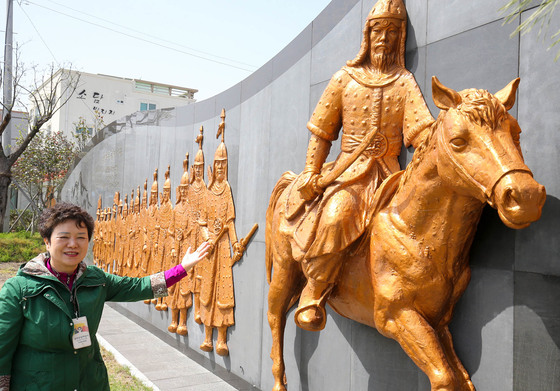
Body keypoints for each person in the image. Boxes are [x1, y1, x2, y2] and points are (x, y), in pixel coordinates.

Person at [293, 0, 434, 331]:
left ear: (400, 38)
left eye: (392, 32)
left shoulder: (404, 81)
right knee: (337, 214)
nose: (384, 39)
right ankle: (313, 291)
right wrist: (312, 172)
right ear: (366, 36)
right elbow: (321, 132)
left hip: (391, 176)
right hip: (349, 174)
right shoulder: (345, 78)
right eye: (378, 31)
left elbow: (422, 133)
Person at [0, 202, 210, 391]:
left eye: (81, 237)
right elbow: (2, 347)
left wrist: (182, 268)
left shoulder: (96, 280)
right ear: (47, 241)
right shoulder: (19, 289)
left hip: (90, 382)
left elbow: (139, 287)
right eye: (64, 237)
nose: (73, 244)